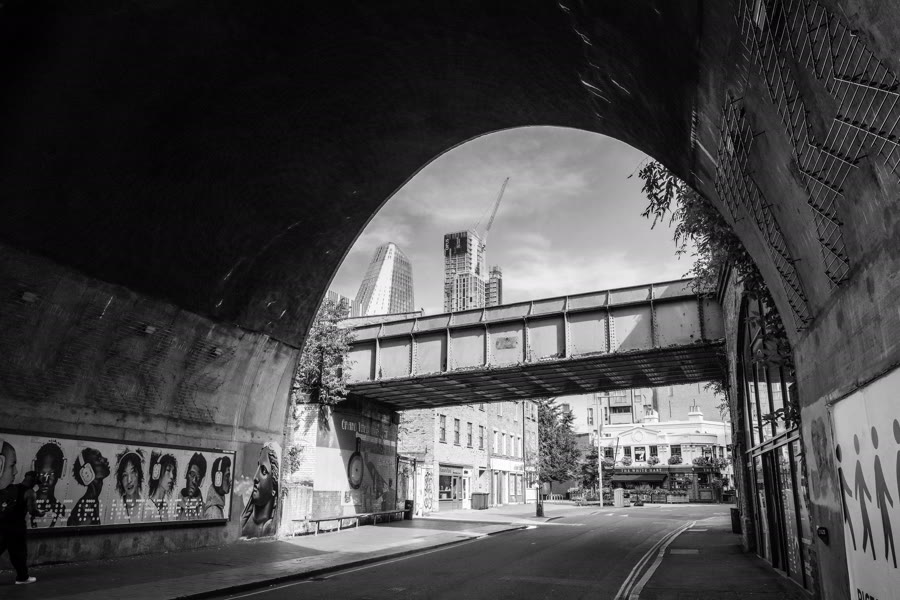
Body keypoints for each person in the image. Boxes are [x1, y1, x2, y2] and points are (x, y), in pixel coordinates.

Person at [0, 457, 44, 585]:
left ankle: (23, 576)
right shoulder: (30, 492)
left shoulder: (10, 487)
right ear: (33, 481)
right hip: (16, 527)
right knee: (19, 553)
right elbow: (32, 511)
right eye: (36, 483)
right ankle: (22, 578)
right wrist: (41, 513)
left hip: (2, 524)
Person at [241, 442, 280, 538]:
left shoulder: (268, 527)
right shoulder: (244, 520)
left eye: (264, 471)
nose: (255, 477)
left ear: (274, 489)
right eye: (258, 466)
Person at [67, 448, 111, 527]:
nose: (105, 459)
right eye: (99, 458)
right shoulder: (84, 512)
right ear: (87, 473)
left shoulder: (92, 501)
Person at [33, 442, 67, 528]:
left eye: (51, 474)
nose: (45, 480)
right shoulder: (25, 505)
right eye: (42, 473)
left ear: (59, 474)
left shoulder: (61, 510)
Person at [148, 452, 178, 521]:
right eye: (168, 470)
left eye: (173, 472)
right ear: (157, 472)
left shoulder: (166, 507)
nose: (172, 476)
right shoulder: (147, 507)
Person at [176, 453, 206, 521]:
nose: (194, 481)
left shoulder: (206, 510)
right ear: (186, 473)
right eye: (192, 474)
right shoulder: (173, 505)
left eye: (198, 477)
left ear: (201, 481)